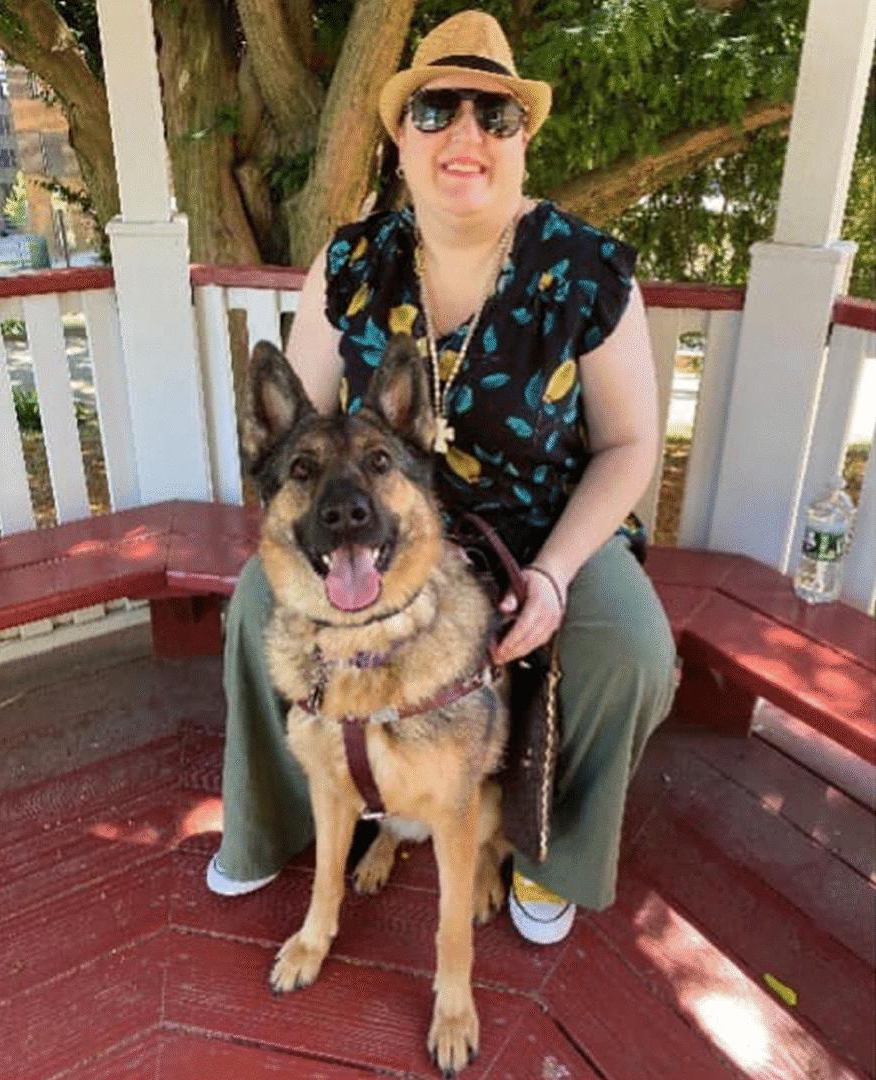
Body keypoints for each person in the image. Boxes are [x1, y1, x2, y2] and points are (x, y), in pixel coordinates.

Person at [207, 10, 678, 946]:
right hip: (377, 520)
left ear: (522, 141)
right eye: (436, 109)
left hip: (549, 525)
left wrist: (551, 573)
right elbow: (297, 418)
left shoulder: (587, 269)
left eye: (494, 115)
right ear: (400, 137)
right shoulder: (351, 261)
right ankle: (276, 821)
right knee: (257, 605)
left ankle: (548, 853)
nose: (465, 133)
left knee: (630, 651)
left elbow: (630, 446)